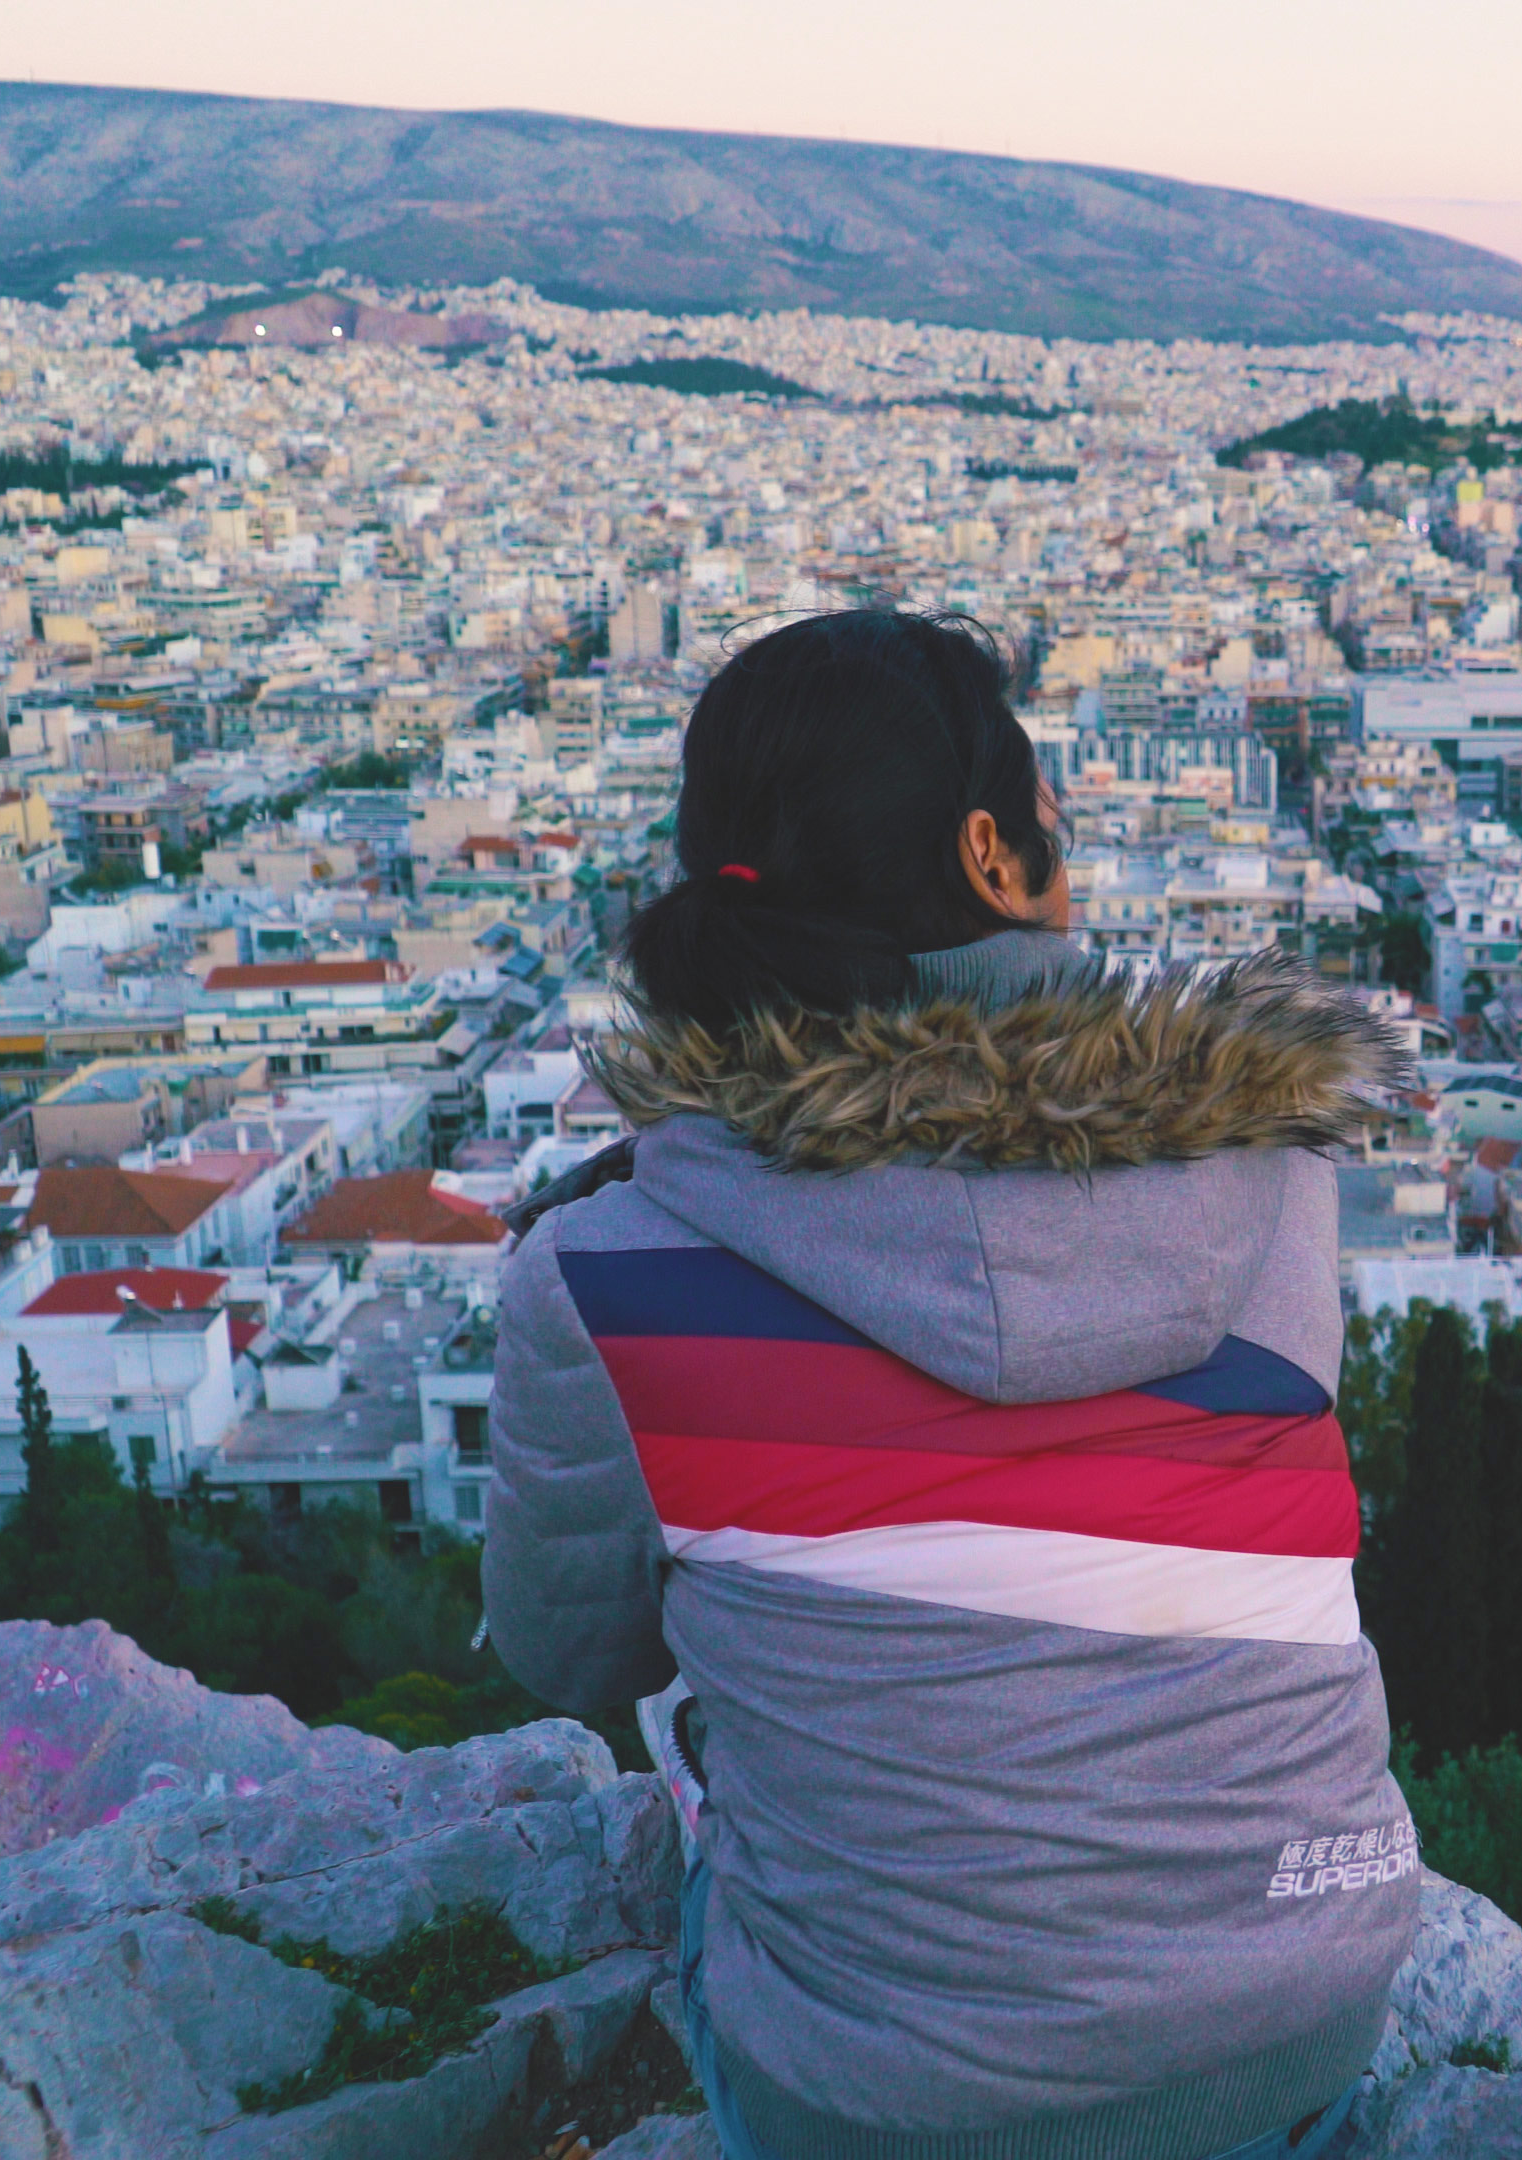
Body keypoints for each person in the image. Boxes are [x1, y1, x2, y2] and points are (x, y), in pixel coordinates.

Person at [482, 610, 1416, 2160]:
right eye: (1051, 808)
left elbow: (569, 1653)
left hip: (879, 2110)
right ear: (990, 855)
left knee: (710, 1728)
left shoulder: (608, 1268)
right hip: (1297, 2026)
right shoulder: (1269, 1166)